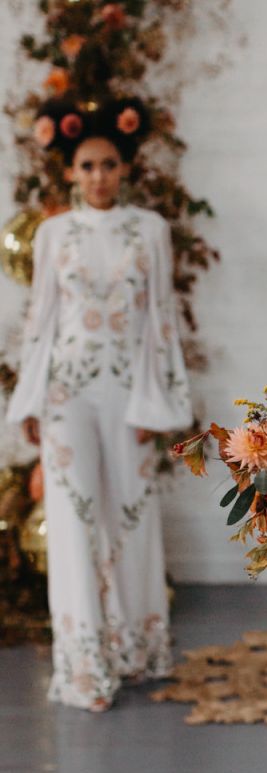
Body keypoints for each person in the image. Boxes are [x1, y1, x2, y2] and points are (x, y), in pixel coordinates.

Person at [6, 97, 191, 711]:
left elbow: (160, 323)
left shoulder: (151, 230)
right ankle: (85, 669)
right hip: (66, 396)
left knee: (131, 519)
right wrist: (30, 400)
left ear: (124, 168)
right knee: (74, 523)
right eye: (86, 166)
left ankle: (135, 652)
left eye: (108, 164)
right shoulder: (54, 233)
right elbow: (42, 321)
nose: (98, 176)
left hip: (128, 396)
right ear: (70, 172)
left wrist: (158, 405)